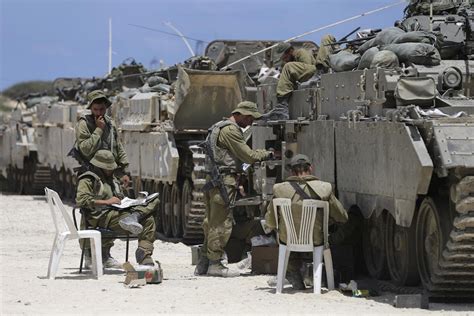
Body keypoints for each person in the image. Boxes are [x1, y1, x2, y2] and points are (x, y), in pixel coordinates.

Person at [194, 101, 274, 277]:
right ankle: (215, 264)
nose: (251, 122)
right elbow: (248, 155)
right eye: (250, 118)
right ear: (243, 114)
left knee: (210, 222)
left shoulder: (217, 126)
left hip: (213, 179)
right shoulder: (231, 130)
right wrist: (268, 153)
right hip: (223, 180)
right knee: (221, 223)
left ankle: (204, 263)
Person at [264, 154, 348, 290]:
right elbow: (342, 217)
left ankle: (293, 272)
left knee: (280, 233)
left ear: (291, 171)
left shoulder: (280, 190)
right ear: (311, 168)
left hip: (288, 240)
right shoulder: (323, 189)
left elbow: (270, 222)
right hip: (316, 240)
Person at [76, 150, 159, 268]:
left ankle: (144, 254)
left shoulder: (112, 179)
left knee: (153, 205)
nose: (111, 170)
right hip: (101, 217)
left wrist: (128, 198)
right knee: (147, 218)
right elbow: (81, 200)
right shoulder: (88, 179)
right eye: (108, 168)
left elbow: (117, 198)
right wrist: (107, 202)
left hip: (116, 212)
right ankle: (134, 217)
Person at [263, 35, 337, 121]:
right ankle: (281, 106)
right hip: (307, 75)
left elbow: (308, 68)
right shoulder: (290, 61)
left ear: (290, 51)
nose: (284, 59)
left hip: (315, 71)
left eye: (285, 57)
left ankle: (282, 107)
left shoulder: (301, 53)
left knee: (288, 67)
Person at [74, 90, 130, 187]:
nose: (99, 113)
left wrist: (123, 172)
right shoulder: (84, 124)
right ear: (91, 108)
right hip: (92, 173)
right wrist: (99, 129)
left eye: (102, 109)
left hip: (110, 172)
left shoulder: (110, 124)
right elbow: (85, 149)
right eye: (95, 109)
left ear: (106, 108)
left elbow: (118, 147)